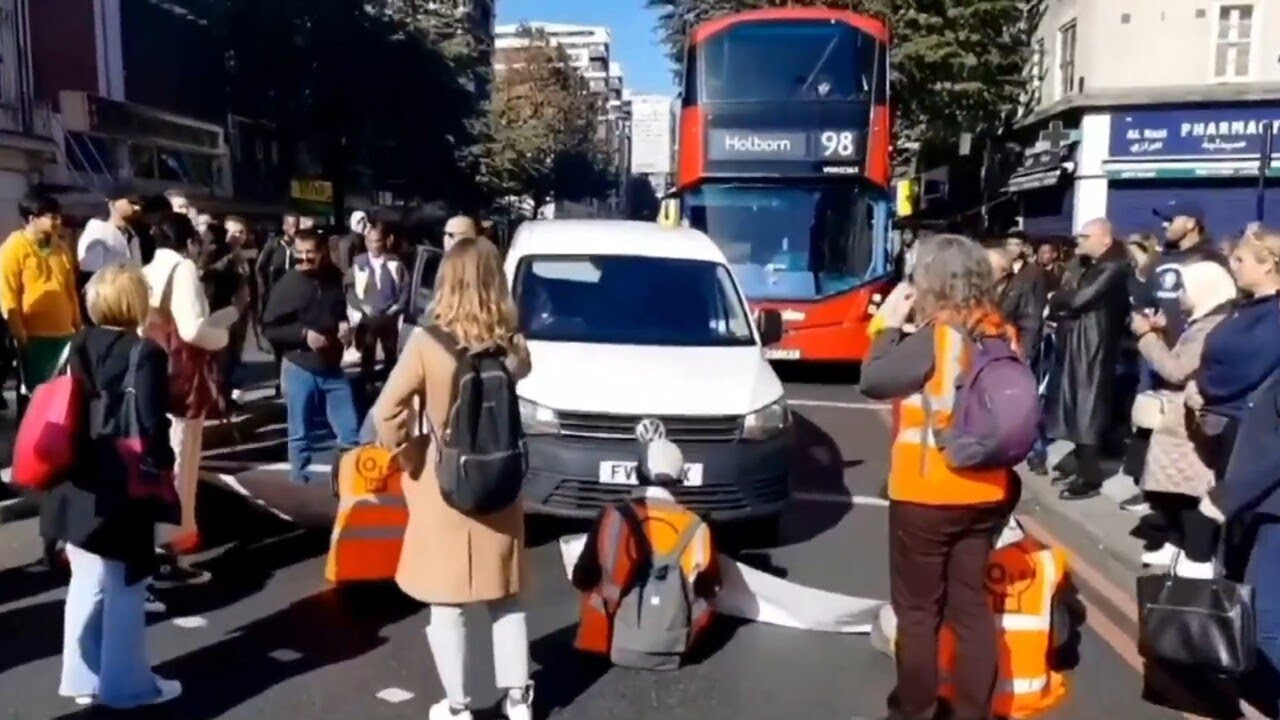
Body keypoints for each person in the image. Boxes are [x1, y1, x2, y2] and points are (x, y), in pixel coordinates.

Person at [372, 236, 533, 720]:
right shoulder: (513, 344)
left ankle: (459, 705)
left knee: (448, 602)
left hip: (444, 484)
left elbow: (387, 411)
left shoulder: (427, 344)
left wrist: (408, 451)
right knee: (504, 596)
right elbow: (518, 375)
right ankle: (519, 699)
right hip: (499, 480)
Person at [859, 234, 1013, 720]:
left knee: (919, 613)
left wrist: (885, 326)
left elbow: (874, 380)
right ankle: (972, 711)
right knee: (970, 610)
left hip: (928, 493)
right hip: (987, 490)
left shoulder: (937, 336)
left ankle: (914, 710)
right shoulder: (999, 331)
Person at [41, 264, 182, 708]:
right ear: (134, 301)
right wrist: (165, 464)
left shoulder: (74, 344)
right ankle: (127, 687)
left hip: (74, 476)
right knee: (125, 585)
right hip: (121, 481)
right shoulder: (145, 352)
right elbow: (150, 423)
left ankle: (81, 678)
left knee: (85, 580)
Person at [142, 212, 241, 569]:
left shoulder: (146, 270)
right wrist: (224, 333)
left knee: (156, 454)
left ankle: (157, 530)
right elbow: (193, 329)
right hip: (181, 376)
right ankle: (174, 536)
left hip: (150, 370)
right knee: (182, 454)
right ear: (188, 242)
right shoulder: (182, 269)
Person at [1130, 261, 1235, 576]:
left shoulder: (1209, 327)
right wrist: (1163, 332)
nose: (1178, 294)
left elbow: (1176, 369)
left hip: (1190, 422)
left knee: (1189, 490)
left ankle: (1197, 558)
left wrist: (1147, 337)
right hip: (1180, 421)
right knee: (1173, 488)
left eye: (1184, 288)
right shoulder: (1202, 321)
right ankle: (1177, 544)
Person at [1043, 219, 1131, 500]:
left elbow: (1078, 300)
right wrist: (1063, 302)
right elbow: (1070, 300)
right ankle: (1083, 470)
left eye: (1084, 236)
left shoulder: (1114, 267)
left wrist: (1058, 300)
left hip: (1095, 348)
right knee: (1076, 408)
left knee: (1088, 411)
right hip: (1078, 344)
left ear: (1104, 238)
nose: (1077, 241)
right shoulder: (1089, 265)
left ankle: (1090, 477)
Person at [261, 231, 359, 485]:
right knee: (299, 432)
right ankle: (299, 480)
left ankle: (348, 480)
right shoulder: (287, 285)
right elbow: (269, 328)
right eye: (299, 255)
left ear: (323, 252)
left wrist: (343, 326)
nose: (304, 260)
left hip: (331, 366)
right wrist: (304, 335)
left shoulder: (332, 279)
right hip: (299, 366)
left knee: (350, 432)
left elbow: (338, 310)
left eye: (310, 254)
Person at [1, 193, 81, 406]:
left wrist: (78, 324)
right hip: (33, 337)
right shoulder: (14, 247)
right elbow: (8, 293)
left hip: (64, 334)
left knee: (60, 398)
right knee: (34, 399)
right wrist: (19, 332)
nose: (57, 222)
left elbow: (70, 290)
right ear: (31, 219)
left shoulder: (62, 248)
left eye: (57, 216)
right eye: (51, 217)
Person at [346, 219, 408, 387]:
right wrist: (360, 306)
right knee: (367, 354)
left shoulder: (395, 263)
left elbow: (404, 289)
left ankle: (390, 386)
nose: (375, 246)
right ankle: (367, 387)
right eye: (371, 242)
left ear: (384, 242)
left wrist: (396, 307)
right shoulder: (359, 264)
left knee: (390, 354)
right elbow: (350, 291)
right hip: (368, 317)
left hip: (389, 316)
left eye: (378, 241)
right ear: (366, 243)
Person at [76, 187, 143, 279]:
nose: (137, 208)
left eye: (139, 203)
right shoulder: (96, 233)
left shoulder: (132, 235)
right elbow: (89, 272)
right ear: (112, 203)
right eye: (131, 202)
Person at [332, 210, 368, 276]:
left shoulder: (364, 240)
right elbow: (345, 269)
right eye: (362, 222)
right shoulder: (347, 243)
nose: (365, 225)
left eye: (365, 222)